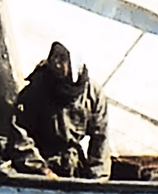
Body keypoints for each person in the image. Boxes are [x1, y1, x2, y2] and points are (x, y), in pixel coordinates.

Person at [11, 41, 110, 179]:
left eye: (63, 59)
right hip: (42, 164)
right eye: (54, 57)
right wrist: (41, 170)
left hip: (72, 165)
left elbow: (100, 139)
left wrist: (97, 179)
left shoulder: (92, 94)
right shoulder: (35, 91)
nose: (56, 63)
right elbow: (20, 134)